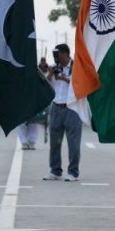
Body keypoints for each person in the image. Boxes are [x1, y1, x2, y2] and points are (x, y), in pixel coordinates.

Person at [43, 44, 81, 182]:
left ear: (65, 54)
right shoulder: (54, 68)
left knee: (73, 142)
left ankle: (73, 172)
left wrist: (64, 78)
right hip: (56, 107)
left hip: (72, 108)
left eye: (58, 54)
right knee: (55, 142)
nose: (56, 57)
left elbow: (80, 83)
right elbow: (45, 85)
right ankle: (55, 170)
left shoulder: (76, 66)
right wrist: (50, 74)